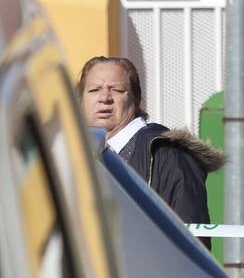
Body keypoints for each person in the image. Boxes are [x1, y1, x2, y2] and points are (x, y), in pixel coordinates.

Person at [77, 56, 221, 245]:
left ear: (136, 99)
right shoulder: (72, 155)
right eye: (94, 90)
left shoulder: (169, 153)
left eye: (117, 90)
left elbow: (191, 243)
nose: (104, 98)